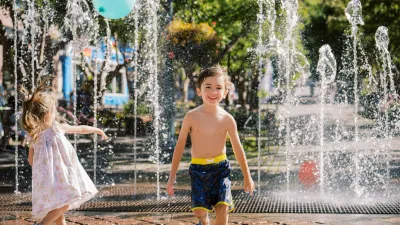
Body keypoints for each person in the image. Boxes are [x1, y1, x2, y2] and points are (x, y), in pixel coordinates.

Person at [166, 65, 255, 225]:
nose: (213, 92)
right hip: (198, 170)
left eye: (218, 88)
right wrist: (172, 177)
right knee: (200, 211)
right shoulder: (191, 117)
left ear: (225, 92)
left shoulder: (227, 119)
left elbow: (237, 148)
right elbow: (179, 147)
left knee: (222, 208)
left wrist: (247, 176)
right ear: (199, 90)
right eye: (208, 87)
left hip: (221, 169)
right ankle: (204, 221)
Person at [20, 78, 108, 225]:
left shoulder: (33, 135)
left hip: (46, 179)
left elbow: (30, 160)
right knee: (66, 203)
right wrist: (97, 130)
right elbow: (81, 129)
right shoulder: (57, 128)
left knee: (58, 207)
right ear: (48, 114)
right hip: (62, 176)